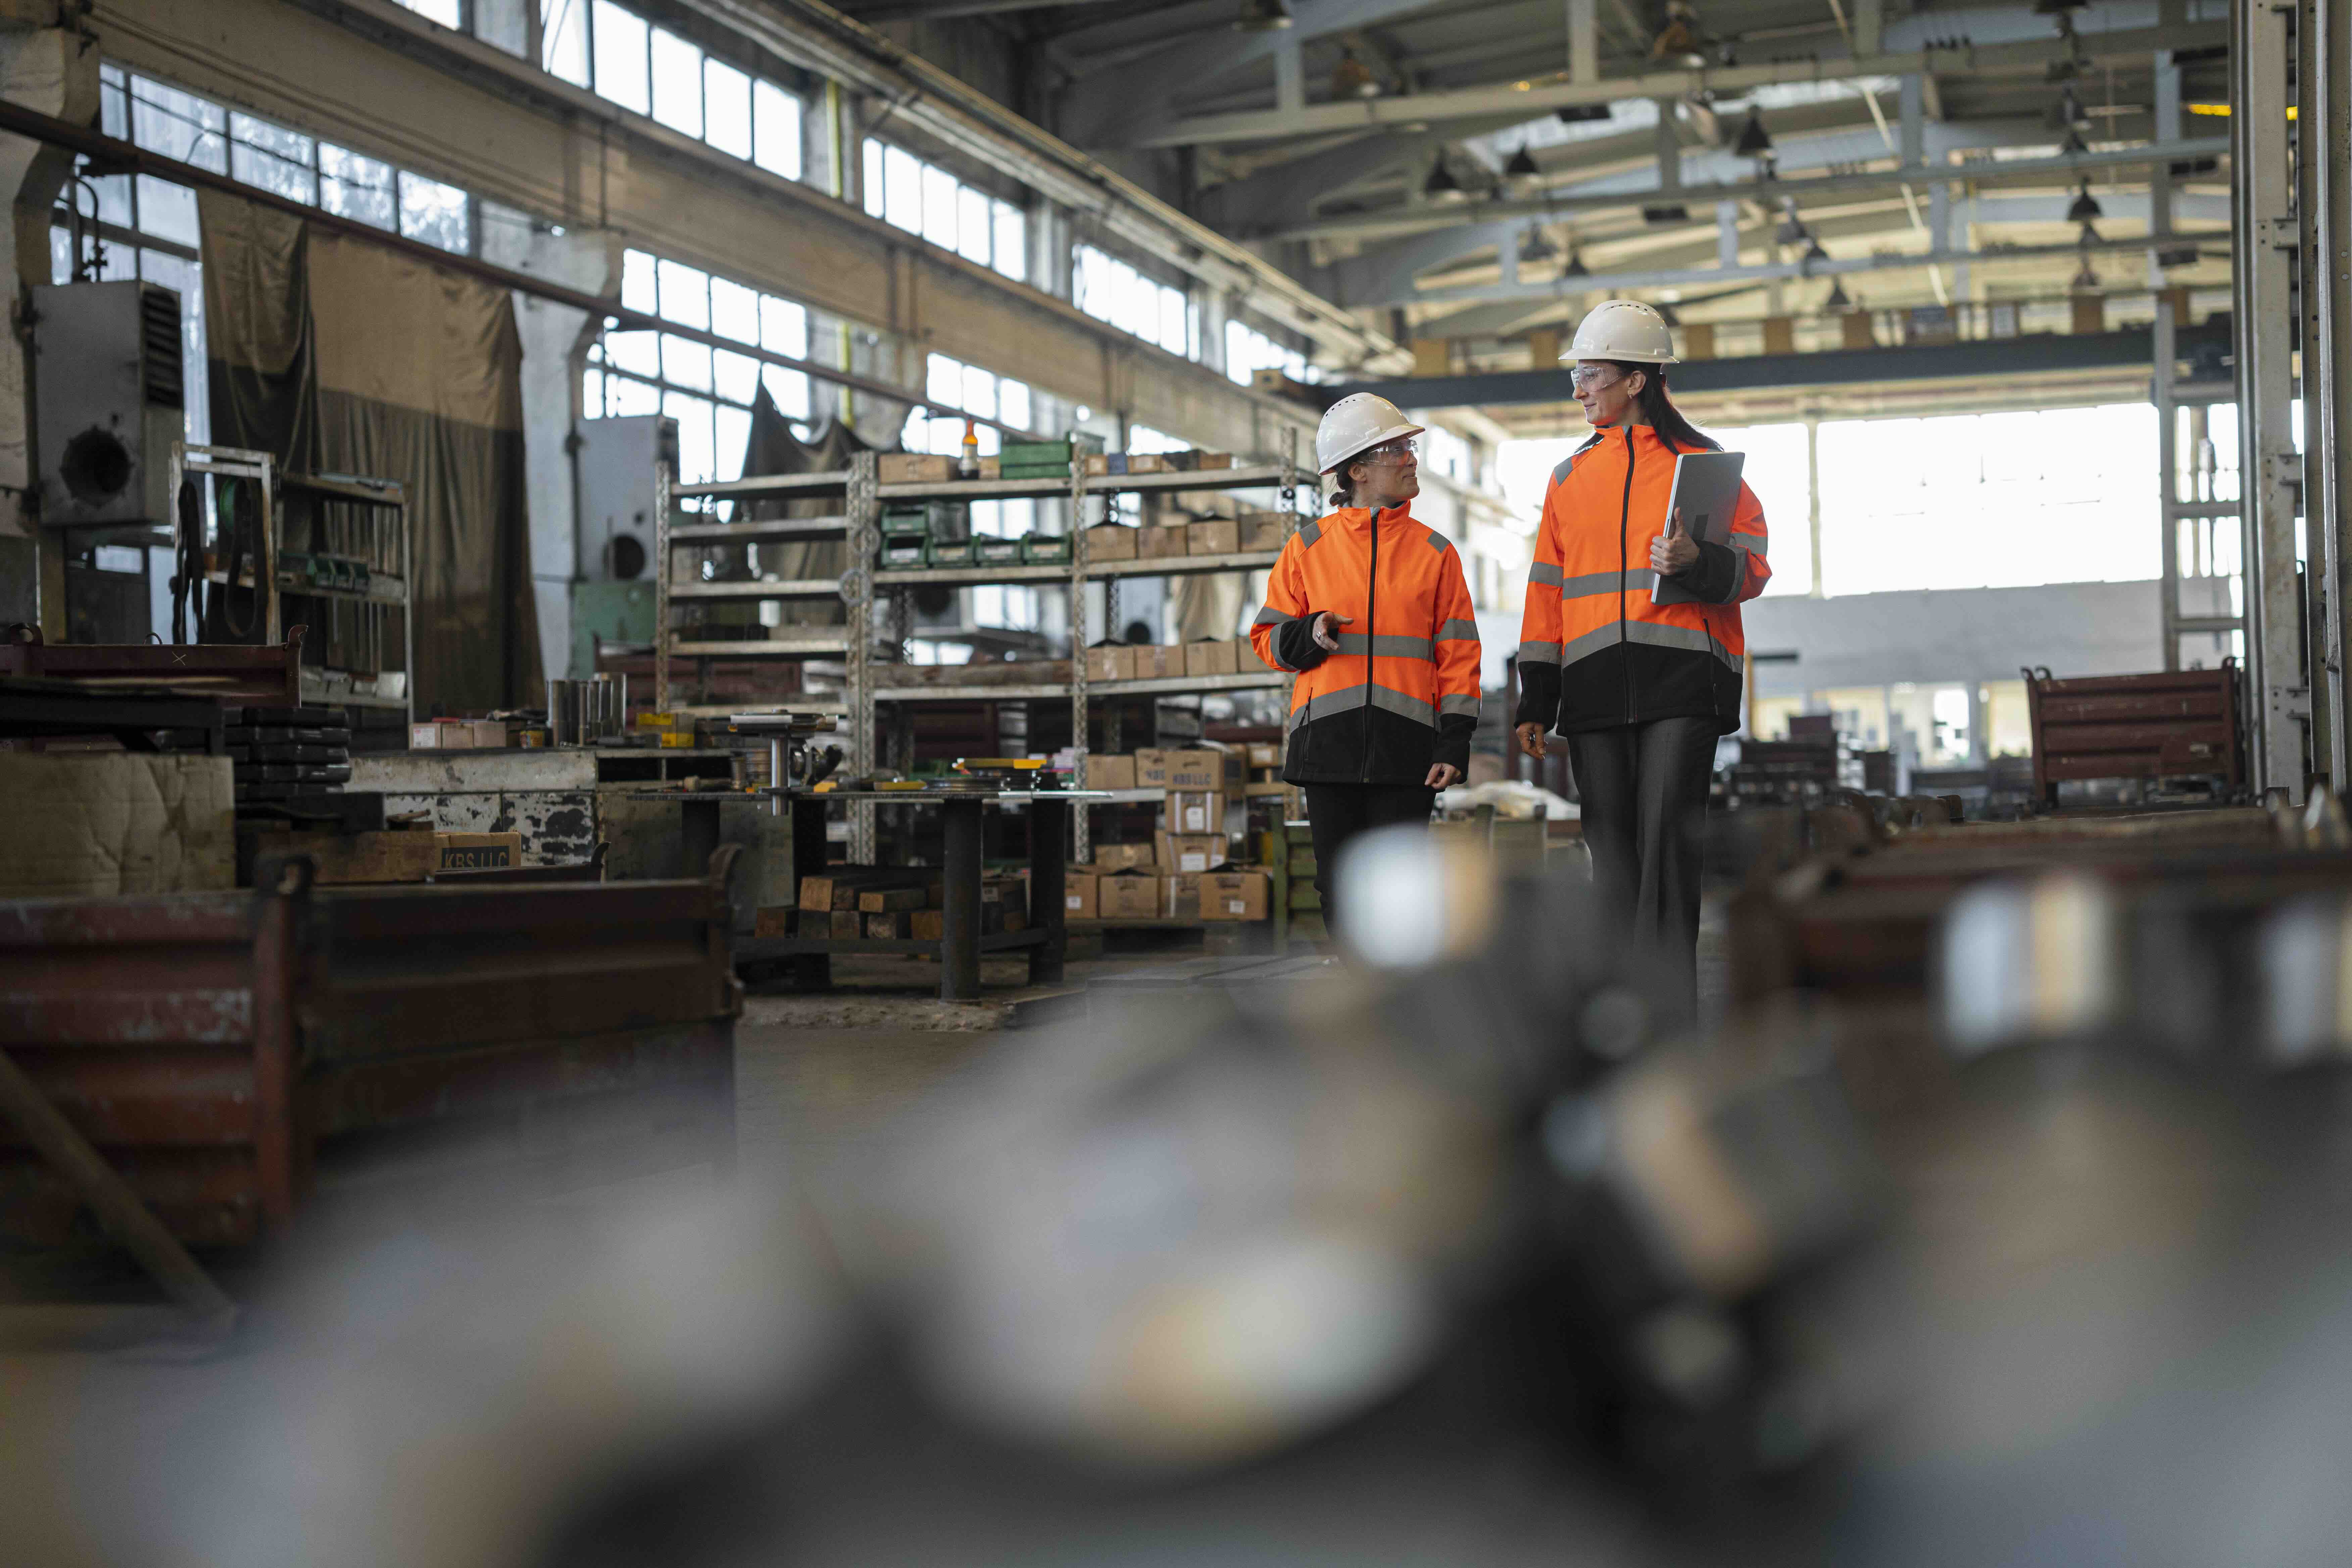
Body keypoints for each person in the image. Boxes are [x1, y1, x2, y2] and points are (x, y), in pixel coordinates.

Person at [1513, 300, 1771, 1017]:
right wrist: (1537, 695)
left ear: (1635, 380)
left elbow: (1752, 567)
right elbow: (1546, 589)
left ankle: (1669, 1011)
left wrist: (1698, 559)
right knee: (1613, 852)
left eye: (1591, 374)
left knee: (1665, 841)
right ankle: (1624, 1007)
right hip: (1595, 686)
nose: (1579, 388)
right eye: (1579, 375)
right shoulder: (1568, 478)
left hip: (1684, 677)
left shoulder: (1705, 468)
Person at [1250, 393, 1483, 937]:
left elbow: (1459, 654)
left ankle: (1399, 1003)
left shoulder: (1435, 552)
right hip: (1327, 747)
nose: (1411, 458)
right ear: (1356, 470)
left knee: (1401, 890)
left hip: (1409, 749)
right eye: (1395, 449)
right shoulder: (1306, 549)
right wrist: (1309, 634)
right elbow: (1265, 640)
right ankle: (1356, 999)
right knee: (1340, 886)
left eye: (1409, 447)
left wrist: (1455, 741)